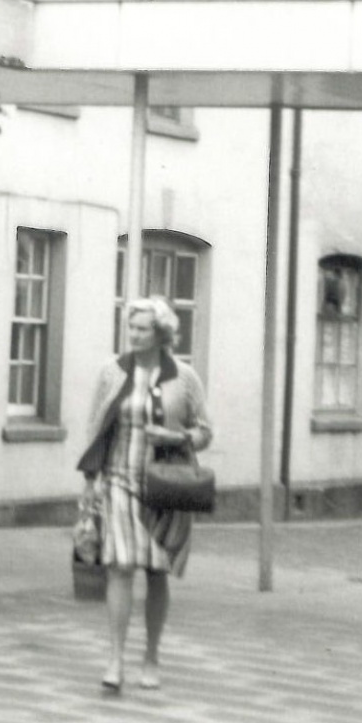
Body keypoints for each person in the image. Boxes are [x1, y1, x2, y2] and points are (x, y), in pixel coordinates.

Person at [76, 295, 213, 693]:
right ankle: (115, 659)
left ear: (161, 333)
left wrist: (176, 437)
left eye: (142, 329)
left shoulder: (184, 378)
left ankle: (151, 656)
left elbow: (205, 431)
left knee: (156, 572)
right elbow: (94, 427)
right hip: (119, 480)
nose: (133, 335)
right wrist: (91, 482)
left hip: (166, 486)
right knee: (119, 566)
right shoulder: (111, 372)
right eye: (130, 327)